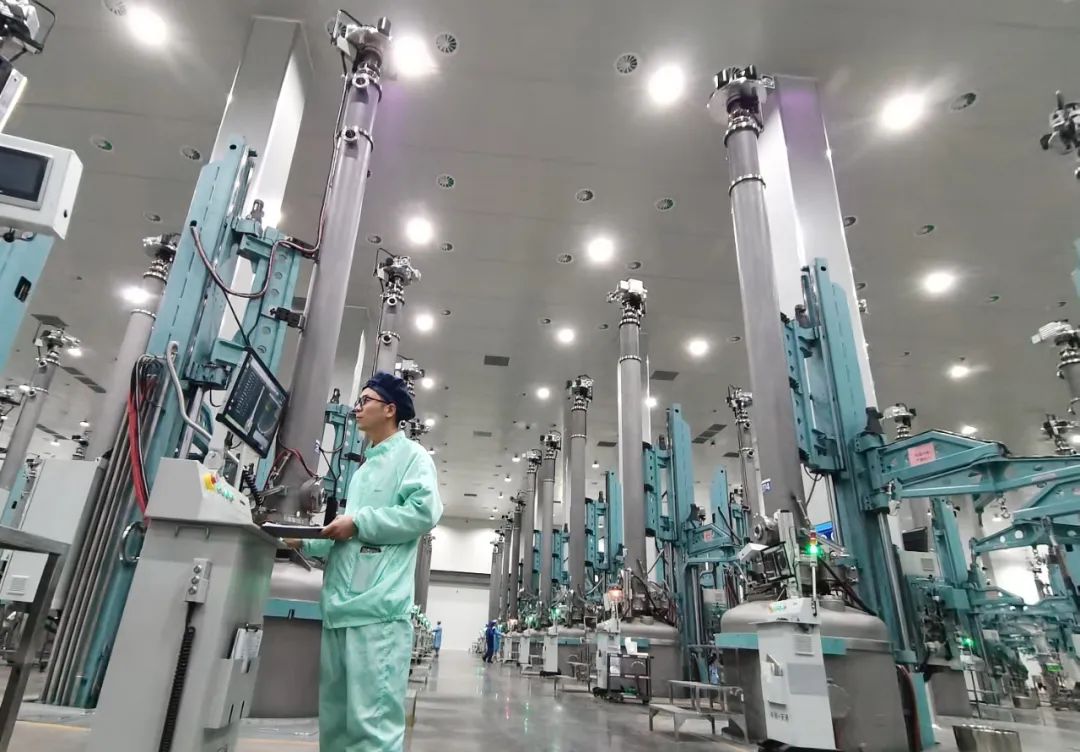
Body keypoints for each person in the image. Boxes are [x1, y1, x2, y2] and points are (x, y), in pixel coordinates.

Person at [285, 371, 443, 752]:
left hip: (377, 616)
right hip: (340, 611)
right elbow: (350, 541)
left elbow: (424, 512)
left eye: (365, 400)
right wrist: (306, 540)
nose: (357, 408)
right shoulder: (364, 471)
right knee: (336, 728)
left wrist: (359, 522)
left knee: (371, 732)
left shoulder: (412, 458)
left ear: (390, 409)